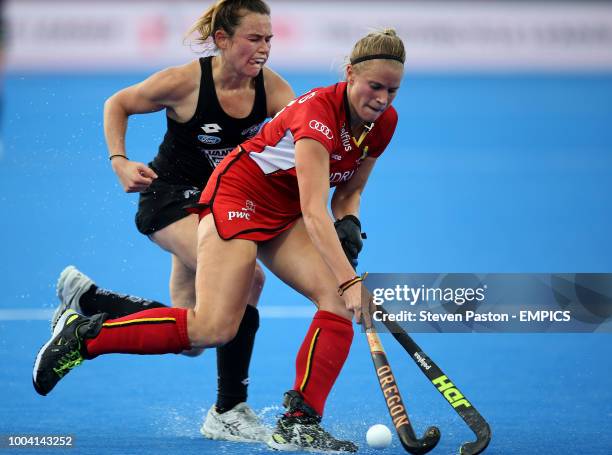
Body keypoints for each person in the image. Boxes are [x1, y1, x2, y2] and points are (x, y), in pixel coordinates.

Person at [34, 28, 405, 453]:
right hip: (240, 196)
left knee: (336, 302)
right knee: (211, 328)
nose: (382, 99)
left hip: (283, 210)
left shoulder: (383, 123)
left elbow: (348, 191)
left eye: (392, 90)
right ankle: (85, 338)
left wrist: (352, 224)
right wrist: (348, 278)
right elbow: (313, 211)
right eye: (374, 86)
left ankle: (299, 423)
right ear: (350, 75)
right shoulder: (317, 115)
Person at [50, 0, 294, 443]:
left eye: (269, 40)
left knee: (193, 336)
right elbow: (117, 103)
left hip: (221, 207)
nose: (264, 50)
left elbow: (301, 142)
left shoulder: (272, 90)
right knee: (248, 278)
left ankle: (93, 303)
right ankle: (229, 410)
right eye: (254, 39)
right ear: (222, 40)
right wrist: (119, 161)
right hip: (170, 202)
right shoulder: (185, 82)